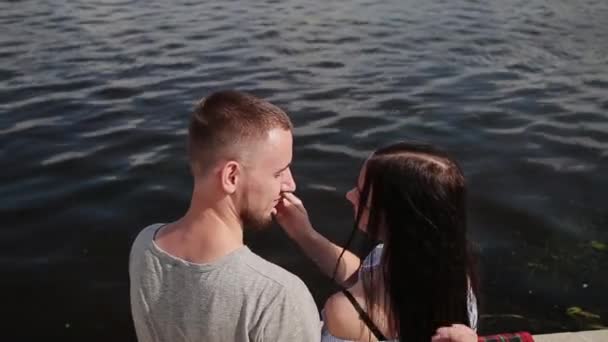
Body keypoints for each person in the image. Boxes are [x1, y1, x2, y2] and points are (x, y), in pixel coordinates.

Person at [128, 90, 320, 342]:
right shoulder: (278, 296)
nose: (290, 184)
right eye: (278, 172)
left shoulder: (144, 245)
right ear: (231, 177)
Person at [275, 142, 479, 342]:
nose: (349, 195)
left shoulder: (345, 313)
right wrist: (304, 233)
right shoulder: (453, 274)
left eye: (360, 193)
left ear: (393, 216)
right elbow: (363, 274)